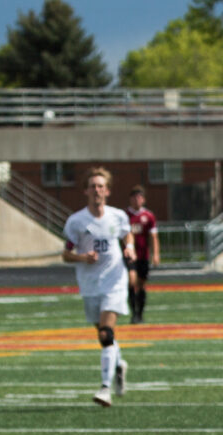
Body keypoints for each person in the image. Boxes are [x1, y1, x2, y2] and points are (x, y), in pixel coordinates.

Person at [62, 167, 134, 407]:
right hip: (90, 284)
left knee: (106, 334)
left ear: (108, 191)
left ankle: (105, 388)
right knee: (104, 336)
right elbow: (66, 253)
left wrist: (129, 247)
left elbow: (127, 235)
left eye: (101, 186)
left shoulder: (118, 216)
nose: (97, 190)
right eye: (92, 186)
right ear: (86, 190)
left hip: (114, 281)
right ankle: (119, 364)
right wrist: (83, 257)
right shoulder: (77, 221)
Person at [125, 186, 160, 324]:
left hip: (143, 255)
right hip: (129, 255)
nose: (137, 199)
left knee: (141, 284)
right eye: (134, 197)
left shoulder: (148, 216)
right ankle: (134, 313)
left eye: (139, 197)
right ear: (130, 199)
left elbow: (153, 237)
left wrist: (155, 254)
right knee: (131, 281)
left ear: (144, 199)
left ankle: (140, 314)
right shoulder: (124, 215)